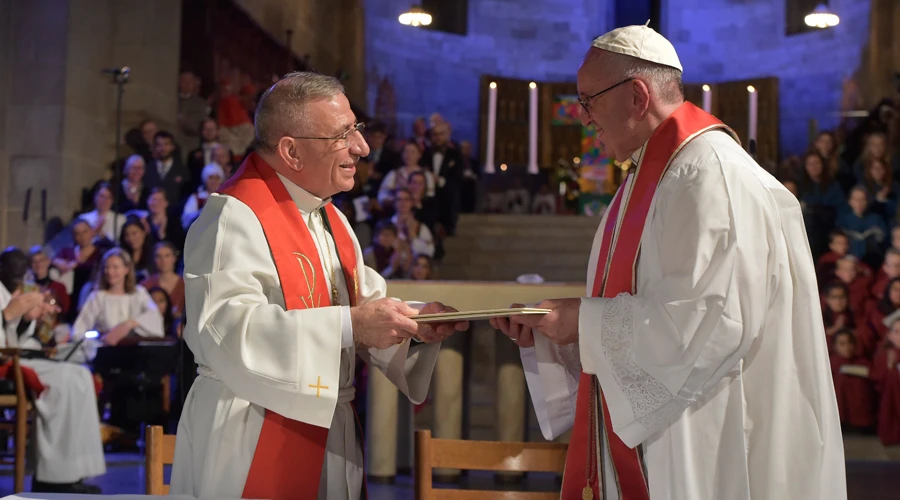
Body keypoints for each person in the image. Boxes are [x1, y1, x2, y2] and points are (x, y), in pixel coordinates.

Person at [491, 24, 846, 500]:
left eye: (588, 101)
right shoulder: (653, 177)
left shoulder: (711, 176)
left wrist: (583, 322)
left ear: (637, 96)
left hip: (710, 436)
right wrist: (560, 333)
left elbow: (709, 321)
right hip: (670, 433)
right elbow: (649, 315)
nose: (583, 118)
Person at [170, 72, 468, 500]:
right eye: (342, 135)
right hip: (252, 431)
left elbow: (363, 305)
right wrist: (351, 326)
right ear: (290, 150)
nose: (361, 148)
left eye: (357, 130)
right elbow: (227, 331)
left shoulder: (331, 218)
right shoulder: (232, 218)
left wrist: (413, 325)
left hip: (330, 427)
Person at [0, 248, 105, 494]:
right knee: (64, 381)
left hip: (16, 357)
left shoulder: (10, 293)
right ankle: (51, 476)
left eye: (21, 268)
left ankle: (74, 471)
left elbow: (16, 338)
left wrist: (27, 319)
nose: (18, 273)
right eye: (13, 268)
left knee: (80, 374)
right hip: (7, 364)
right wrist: (6, 316)